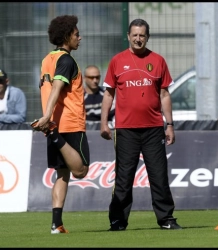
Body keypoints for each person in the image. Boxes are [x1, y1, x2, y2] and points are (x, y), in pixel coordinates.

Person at [100, 18, 181, 231]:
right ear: (128, 36)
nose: (138, 39)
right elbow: (108, 95)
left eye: (142, 35)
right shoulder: (117, 61)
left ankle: (166, 219)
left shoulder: (158, 60)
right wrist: (104, 123)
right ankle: (118, 221)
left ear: (148, 37)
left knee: (159, 175)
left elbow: (164, 94)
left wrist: (169, 124)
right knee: (124, 178)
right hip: (125, 130)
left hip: (154, 128)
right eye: (134, 35)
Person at [30, 15, 90, 234]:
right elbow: (56, 87)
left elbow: (45, 87)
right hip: (69, 123)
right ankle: (55, 134)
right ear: (66, 36)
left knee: (62, 174)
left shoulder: (47, 59)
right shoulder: (66, 60)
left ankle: (57, 224)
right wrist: (47, 119)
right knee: (81, 171)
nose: (79, 38)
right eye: (76, 34)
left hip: (53, 122)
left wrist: (47, 118)